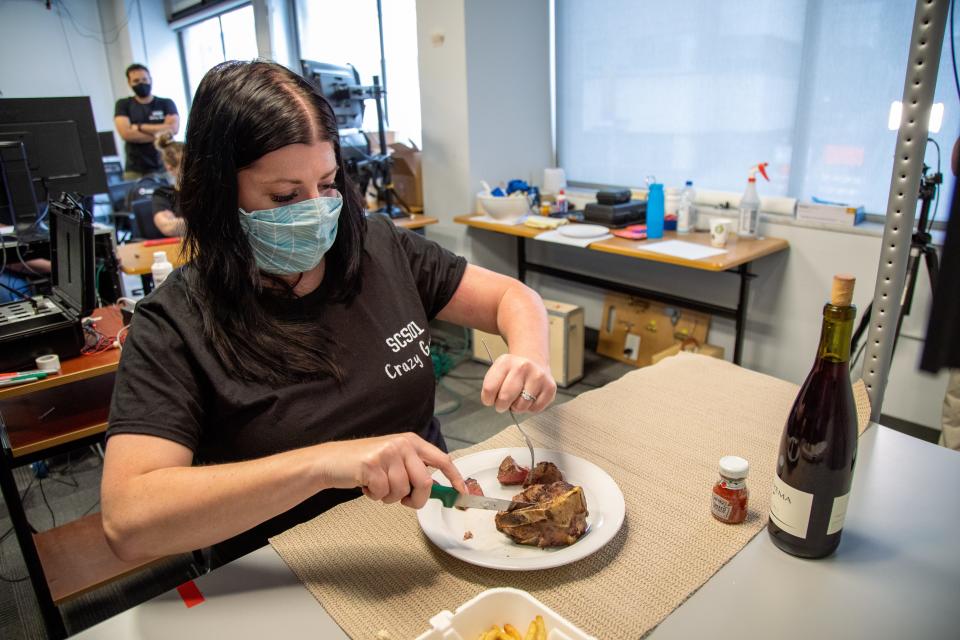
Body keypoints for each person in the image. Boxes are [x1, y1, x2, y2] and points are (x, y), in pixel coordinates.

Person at [101, 60, 557, 566]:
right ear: (218, 195)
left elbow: (511, 298)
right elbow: (128, 523)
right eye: (285, 196)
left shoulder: (380, 248)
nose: (315, 209)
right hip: (292, 567)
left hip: (436, 530)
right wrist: (324, 464)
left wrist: (531, 355)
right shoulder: (173, 323)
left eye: (327, 182)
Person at [113, 63, 179, 180]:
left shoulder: (166, 103)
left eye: (144, 79)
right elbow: (126, 134)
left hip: (165, 167)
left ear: (150, 80)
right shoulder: (123, 105)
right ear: (129, 83)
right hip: (135, 171)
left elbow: (173, 129)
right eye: (136, 81)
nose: (141, 83)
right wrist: (161, 133)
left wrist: (138, 127)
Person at [151, 133, 185, 237]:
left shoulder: (206, 191)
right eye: (186, 165)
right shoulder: (162, 194)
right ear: (169, 167)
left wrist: (179, 222)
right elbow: (167, 227)